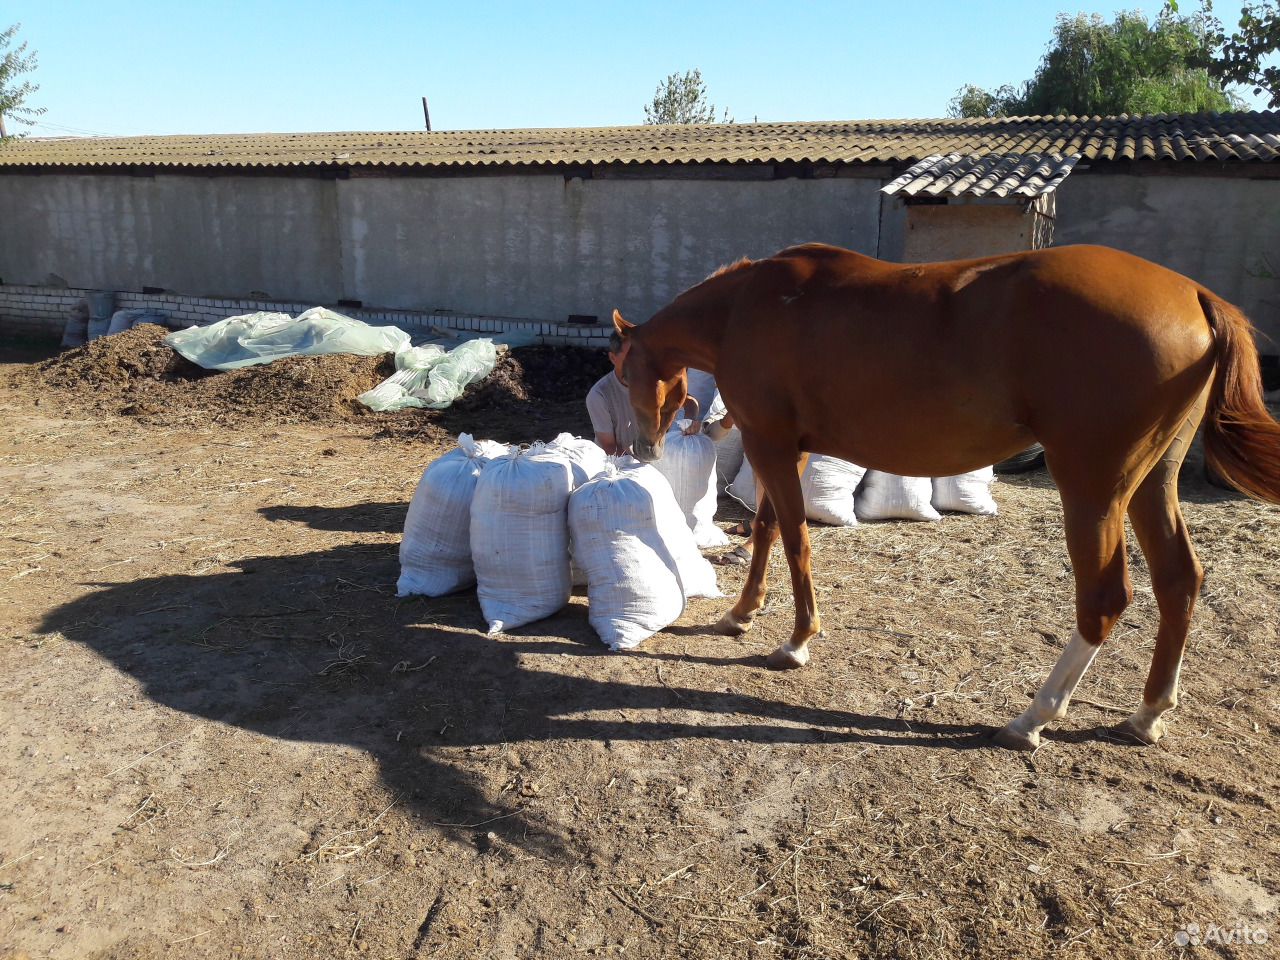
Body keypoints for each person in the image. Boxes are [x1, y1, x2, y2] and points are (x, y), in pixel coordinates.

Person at [587, 331, 704, 455]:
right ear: (612, 358)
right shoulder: (599, 395)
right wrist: (643, 463)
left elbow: (689, 402)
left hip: (658, 459)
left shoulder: (655, 383)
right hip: (619, 466)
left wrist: (689, 421)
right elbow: (609, 447)